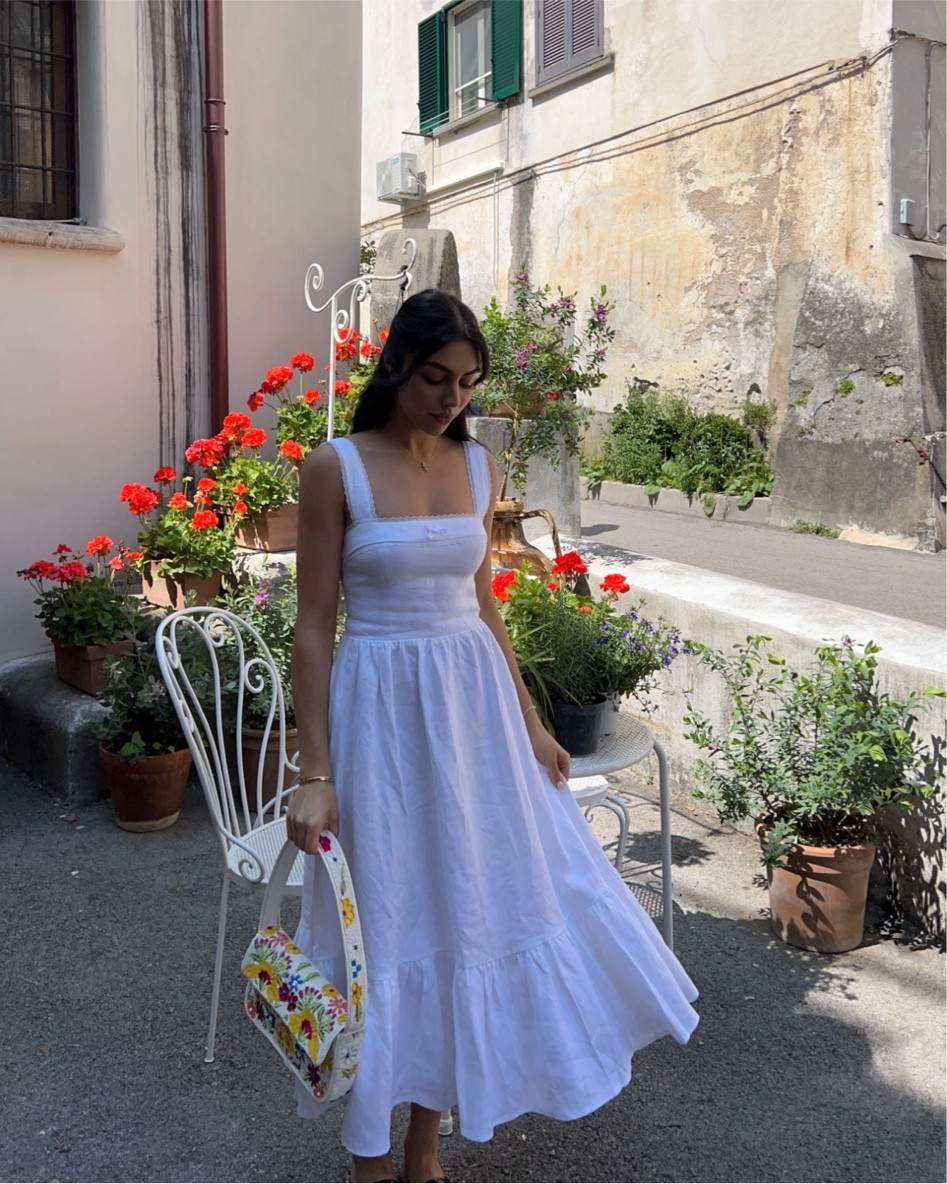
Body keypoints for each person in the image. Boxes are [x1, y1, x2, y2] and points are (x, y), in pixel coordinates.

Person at [287, 289, 698, 1184]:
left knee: (469, 905)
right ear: (395, 364)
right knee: (384, 923)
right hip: (380, 718)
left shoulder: (477, 469)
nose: (451, 398)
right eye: (436, 377)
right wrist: (312, 769)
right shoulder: (337, 467)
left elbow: (484, 607)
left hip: (471, 711)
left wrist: (532, 721)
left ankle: (426, 1144)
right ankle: (366, 1154)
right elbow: (313, 628)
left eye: (468, 382)